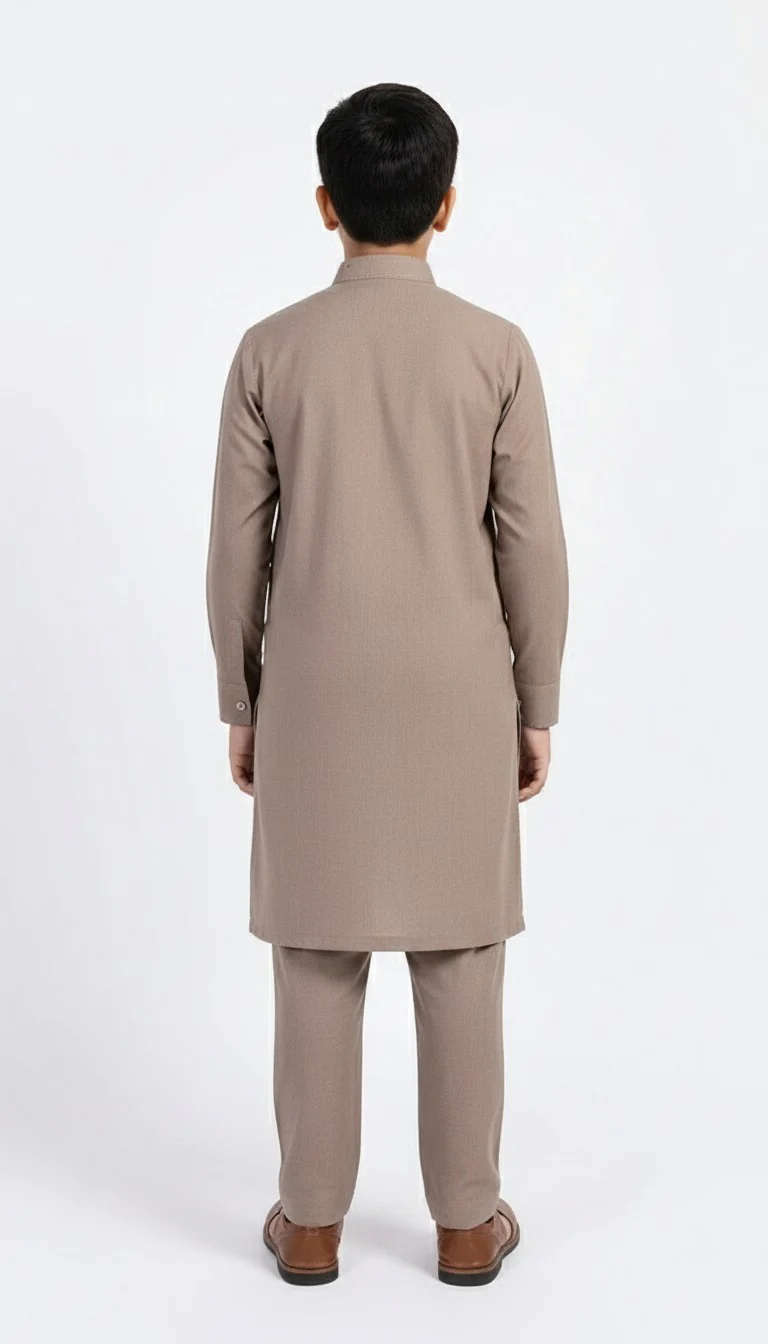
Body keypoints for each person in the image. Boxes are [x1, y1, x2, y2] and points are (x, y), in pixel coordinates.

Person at [206, 82, 568, 1287]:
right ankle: (466, 1223)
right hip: (461, 691)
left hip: (315, 692)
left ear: (327, 204)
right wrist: (537, 703)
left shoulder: (270, 351)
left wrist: (241, 699)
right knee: (461, 951)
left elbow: (236, 550)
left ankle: (310, 1222)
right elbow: (532, 545)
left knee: (316, 950)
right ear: (445, 205)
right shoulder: (496, 350)